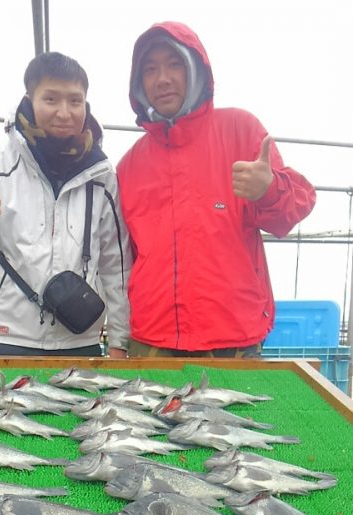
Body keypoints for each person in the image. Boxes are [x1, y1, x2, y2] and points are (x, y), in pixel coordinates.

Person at [117, 21, 316, 358]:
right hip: (151, 340)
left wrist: (269, 190)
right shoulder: (128, 165)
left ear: (195, 68)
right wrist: (119, 341)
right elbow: (120, 260)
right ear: (139, 82)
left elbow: (294, 209)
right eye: (150, 69)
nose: (162, 78)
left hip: (233, 340)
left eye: (174, 64)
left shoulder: (241, 129)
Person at [0, 52, 131, 358]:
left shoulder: (103, 175)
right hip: (6, 339)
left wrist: (120, 341)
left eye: (75, 101)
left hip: (81, 342)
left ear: (86, 104)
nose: (64, 112)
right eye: (50, 99)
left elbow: (115, 265)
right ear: (30, 99)